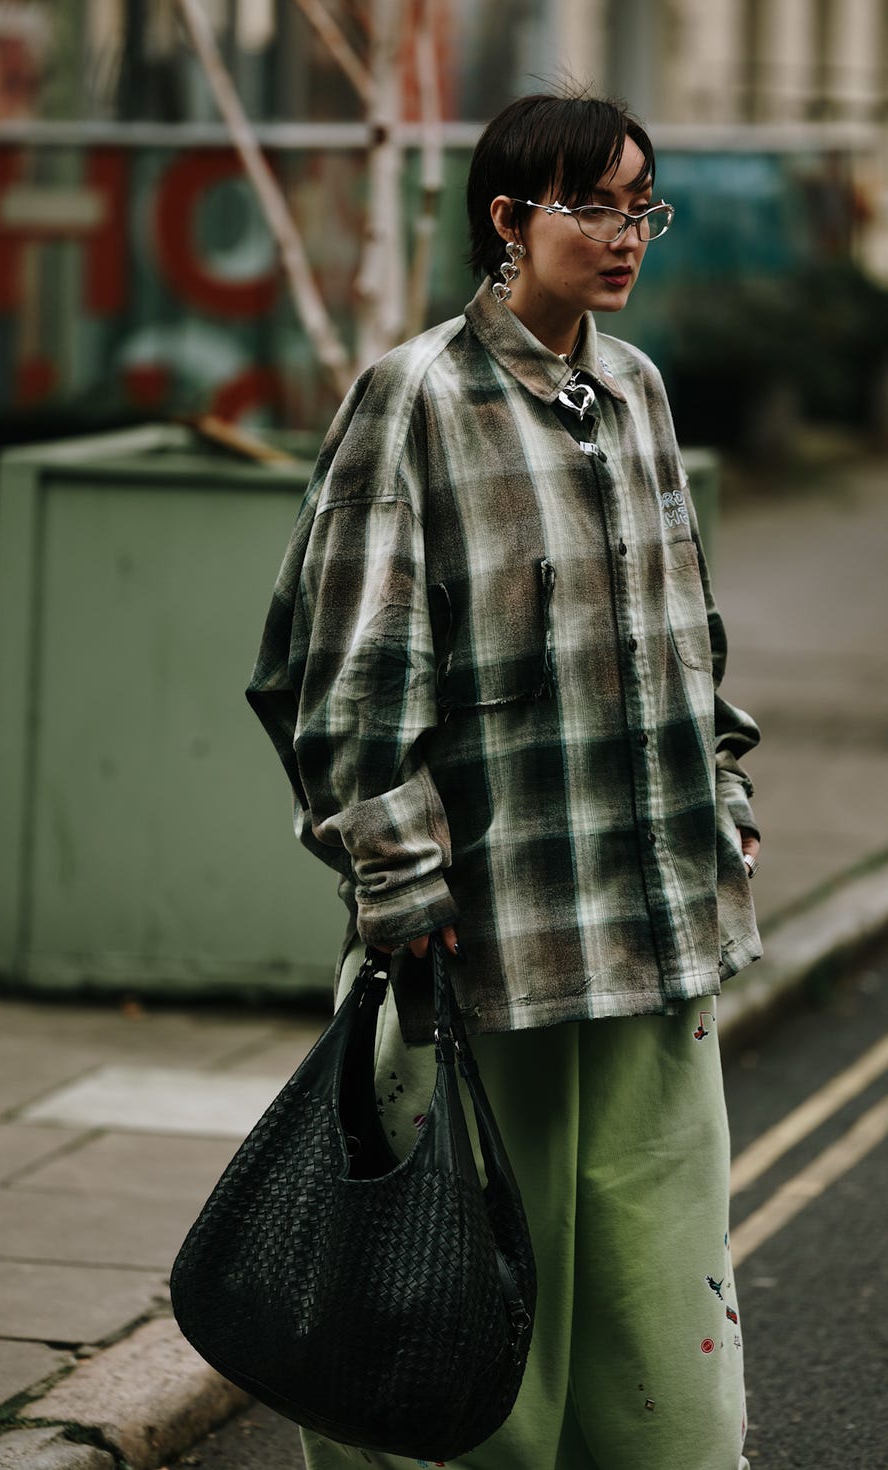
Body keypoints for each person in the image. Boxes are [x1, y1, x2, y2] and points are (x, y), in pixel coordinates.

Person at [248, 91, 761, 1470]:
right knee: (475, 1323)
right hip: (496, 945)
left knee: (661, 1307)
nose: (623, 235)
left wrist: (728, 800)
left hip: (655, 929)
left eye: (640, 205)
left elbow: (683, 635)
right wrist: (402, 885)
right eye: (592, 205)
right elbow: (340, 676)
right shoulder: (415, 398)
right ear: (507, 218)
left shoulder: (639, 390)